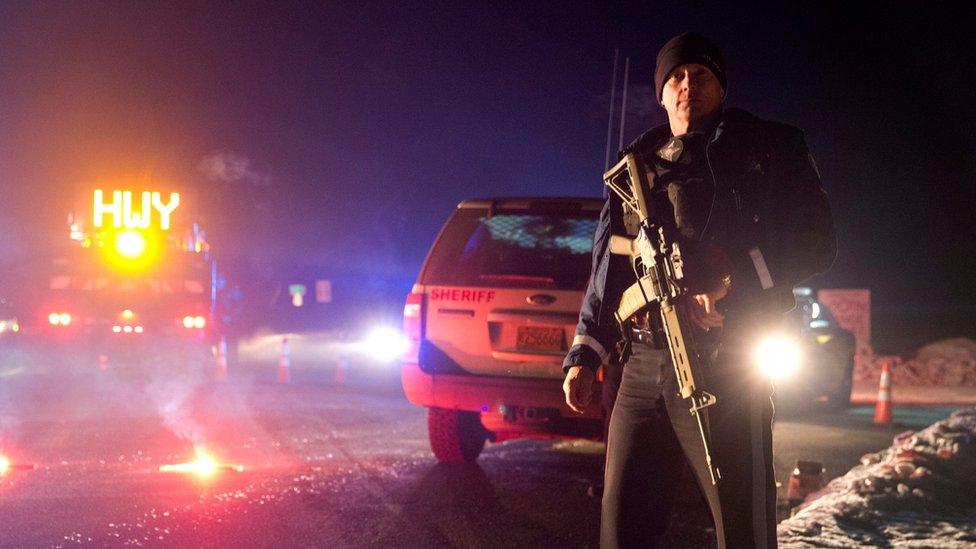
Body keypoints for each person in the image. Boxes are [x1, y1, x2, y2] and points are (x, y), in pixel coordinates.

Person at [562, 33, 836, 548]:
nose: (689, 85)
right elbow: (608, 266)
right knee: (621, 529)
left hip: (729, 364)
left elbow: (818, 243)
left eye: (702, 74)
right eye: (677, 76)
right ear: (662, 93)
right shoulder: (636, 163)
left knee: (742, 530)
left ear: (721, 86)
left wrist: (733, 272)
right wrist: (586, 350)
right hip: (643, 369)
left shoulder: (769, 147)